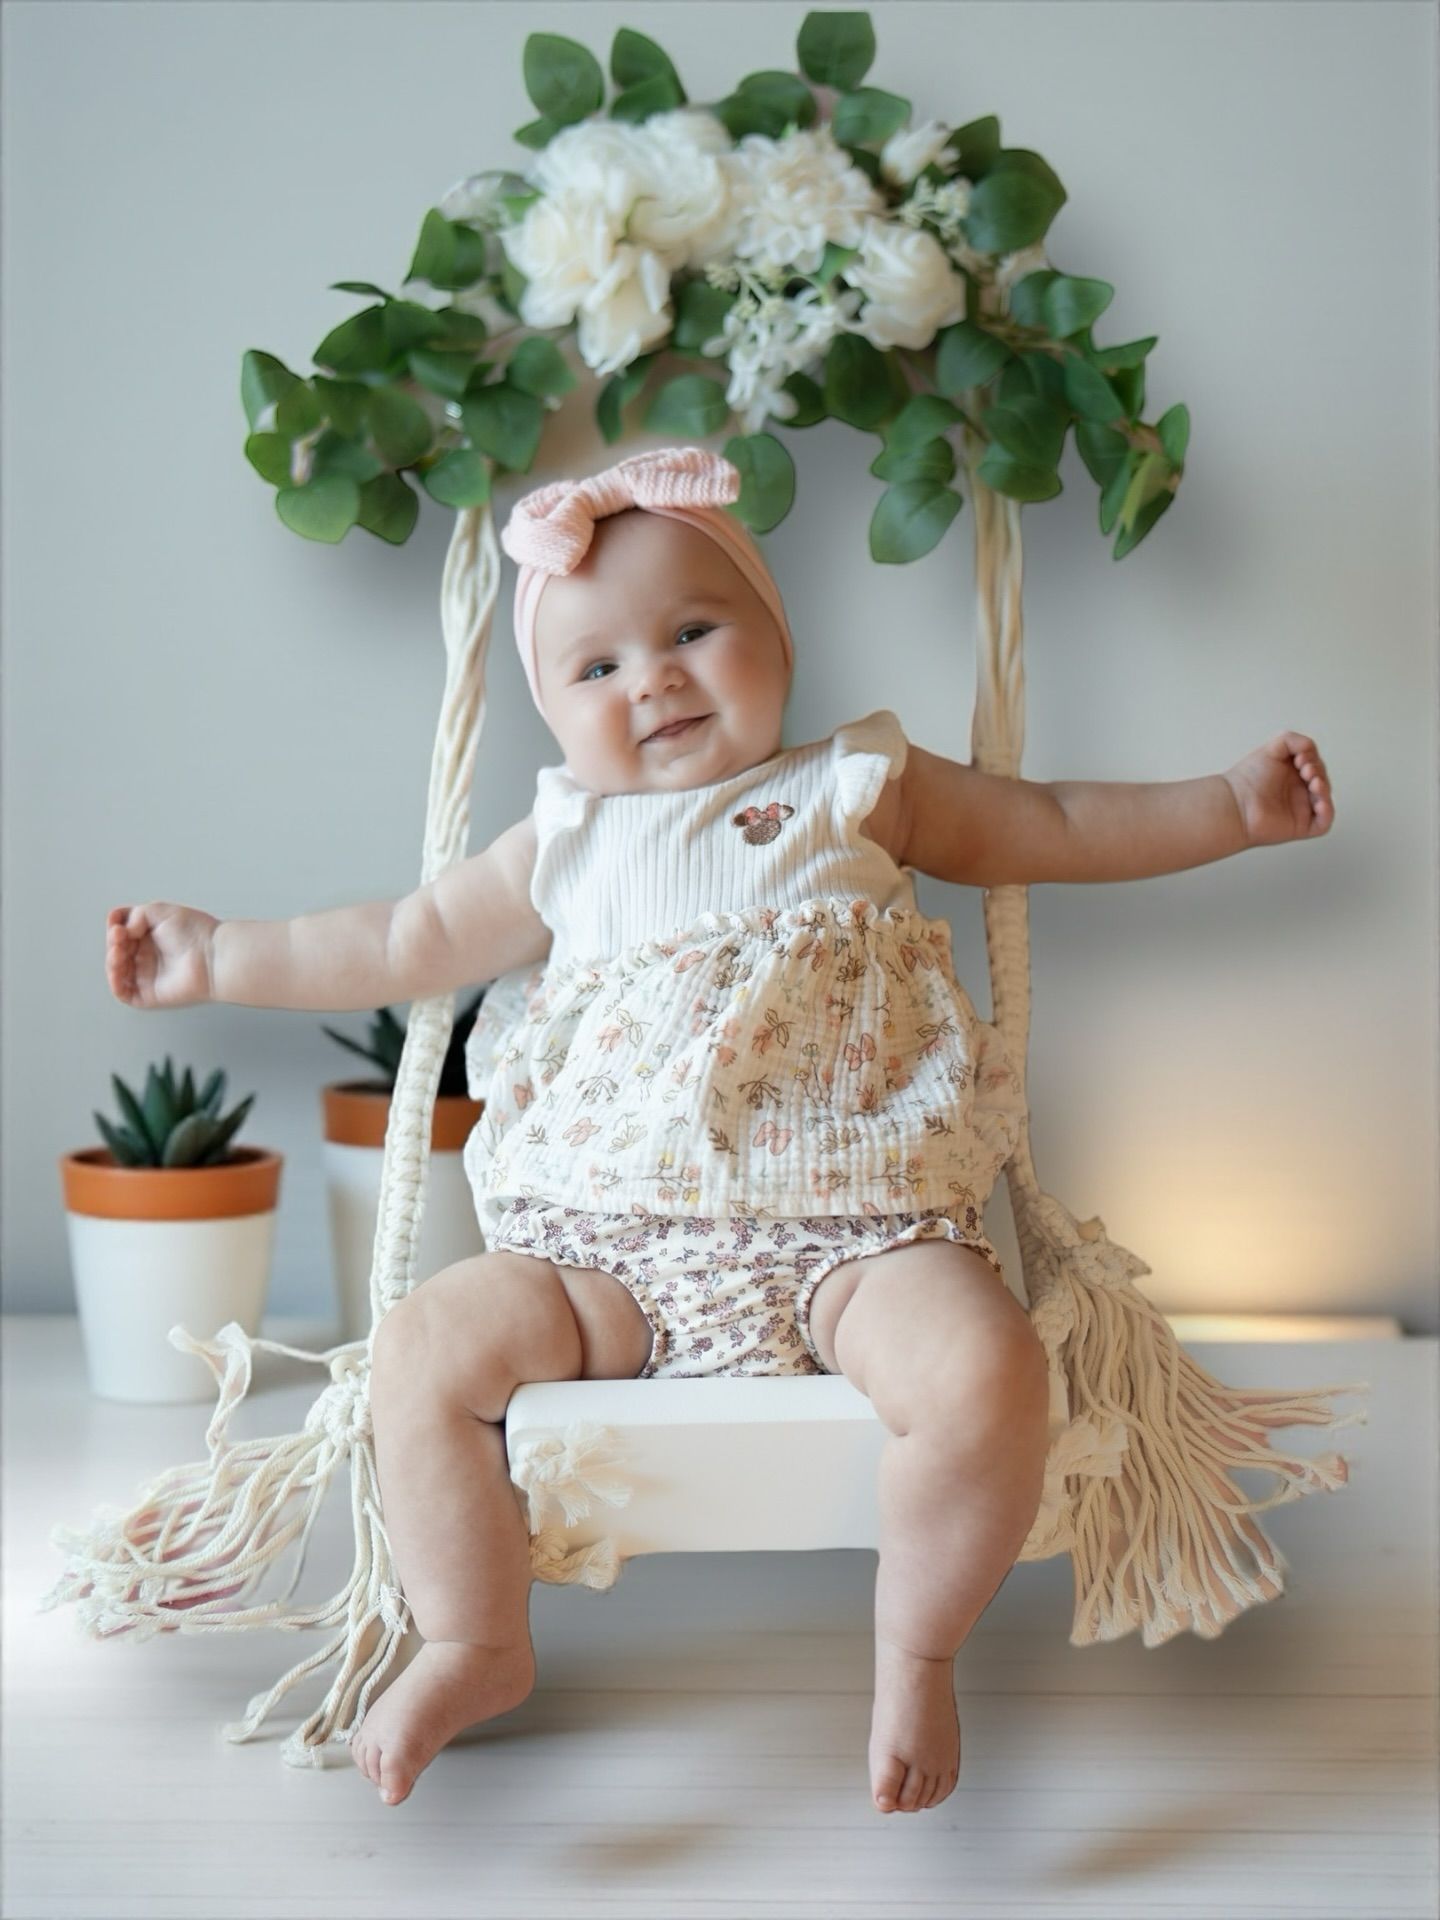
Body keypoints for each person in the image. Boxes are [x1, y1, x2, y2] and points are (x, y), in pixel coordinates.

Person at [104, 444, 1336, 1818]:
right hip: (603, 1267)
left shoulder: (860, 782)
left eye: (695, 630)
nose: (657, 679)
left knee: (986, 1369)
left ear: (775, 637)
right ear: (556, 716)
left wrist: (1230, 808)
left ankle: (917, 1646)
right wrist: (217, 955)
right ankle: (475, 1636)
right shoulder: (563, 839)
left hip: (860, 1243)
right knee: (427, 1350)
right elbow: (400, 939)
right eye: (600, 668)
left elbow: (1050, 821)